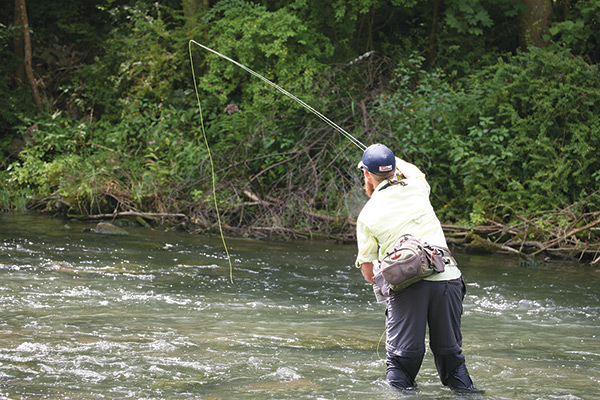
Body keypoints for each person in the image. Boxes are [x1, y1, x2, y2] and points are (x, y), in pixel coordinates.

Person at [355, 143, 478, 392]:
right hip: (448, 278)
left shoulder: (366, 216)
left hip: (407, 287)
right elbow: (415, 171)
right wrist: (391, 159)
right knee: (452, 359)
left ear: (366, 174)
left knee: (401, 363)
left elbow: (369, 275)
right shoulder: (417, 187)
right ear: (392, 170)